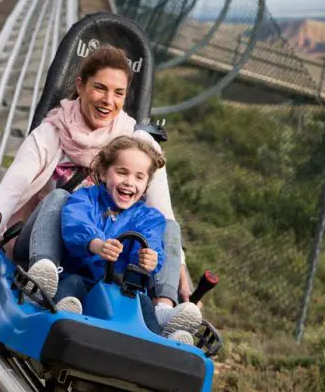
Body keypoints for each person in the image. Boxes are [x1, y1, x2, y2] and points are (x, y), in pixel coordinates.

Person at [0, 44, 201, 336]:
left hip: (109, 257)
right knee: (60, 197)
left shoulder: (137, 144)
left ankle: (162, 316)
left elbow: (163, 217)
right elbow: (12, 189)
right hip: (47, 242)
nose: (108, 100)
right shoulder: (50, 133)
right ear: (80, 85)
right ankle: (44, 277)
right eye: (100, 88)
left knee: (162, 227)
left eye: (118, 93)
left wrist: (181, 282)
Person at [21, 135, 195, 345]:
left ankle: (166, 339)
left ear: (146, 184)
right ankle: (62, 312)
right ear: (103, 173)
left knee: (140, 302)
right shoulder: (85, 198)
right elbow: (75, 224)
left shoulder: (148, 217)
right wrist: (96, 244)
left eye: (139, 177)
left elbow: (151, 242)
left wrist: (149, 259)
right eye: (122, 172)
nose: (129, 182)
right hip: (77, 274)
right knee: (72, 284)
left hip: (117, 288)